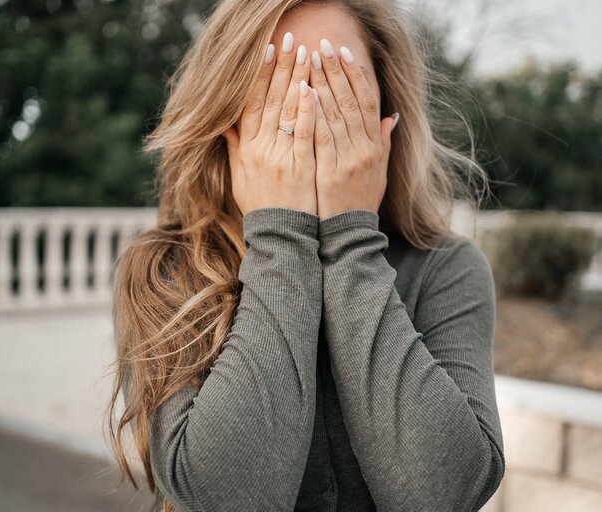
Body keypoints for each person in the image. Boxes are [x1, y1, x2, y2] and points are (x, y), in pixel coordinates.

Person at [106, 0, 505, 510]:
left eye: (338, 90)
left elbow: (446, 494)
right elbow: (223, 497)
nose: (307, 119)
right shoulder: (163, 271)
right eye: (280, 91)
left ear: (385, 118)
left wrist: (351, 238)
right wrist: (281, 236)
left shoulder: (446, 269)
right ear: (226, 117)